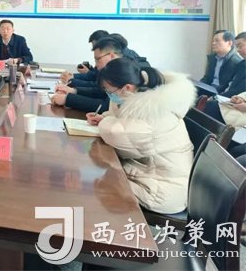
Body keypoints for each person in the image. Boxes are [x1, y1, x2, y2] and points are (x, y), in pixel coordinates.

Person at [86, 58, 195, 214]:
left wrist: (104, 121)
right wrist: (104, 118)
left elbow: (115, 132)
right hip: (151, 174)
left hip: (163, 190)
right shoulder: (146, 99)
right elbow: (123, 123)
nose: (109, 96)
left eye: (110, 92)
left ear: (127, 88)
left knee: (95, 190)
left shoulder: (153, 112)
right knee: (99, 178)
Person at [52, 37, 124, 112]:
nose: (96, 65)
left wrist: (67, 99)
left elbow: (106, 106)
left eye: (98, 59)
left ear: (111, 56)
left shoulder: (124, 73)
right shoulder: (113, 70)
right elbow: (99, 91)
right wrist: (73, 91)